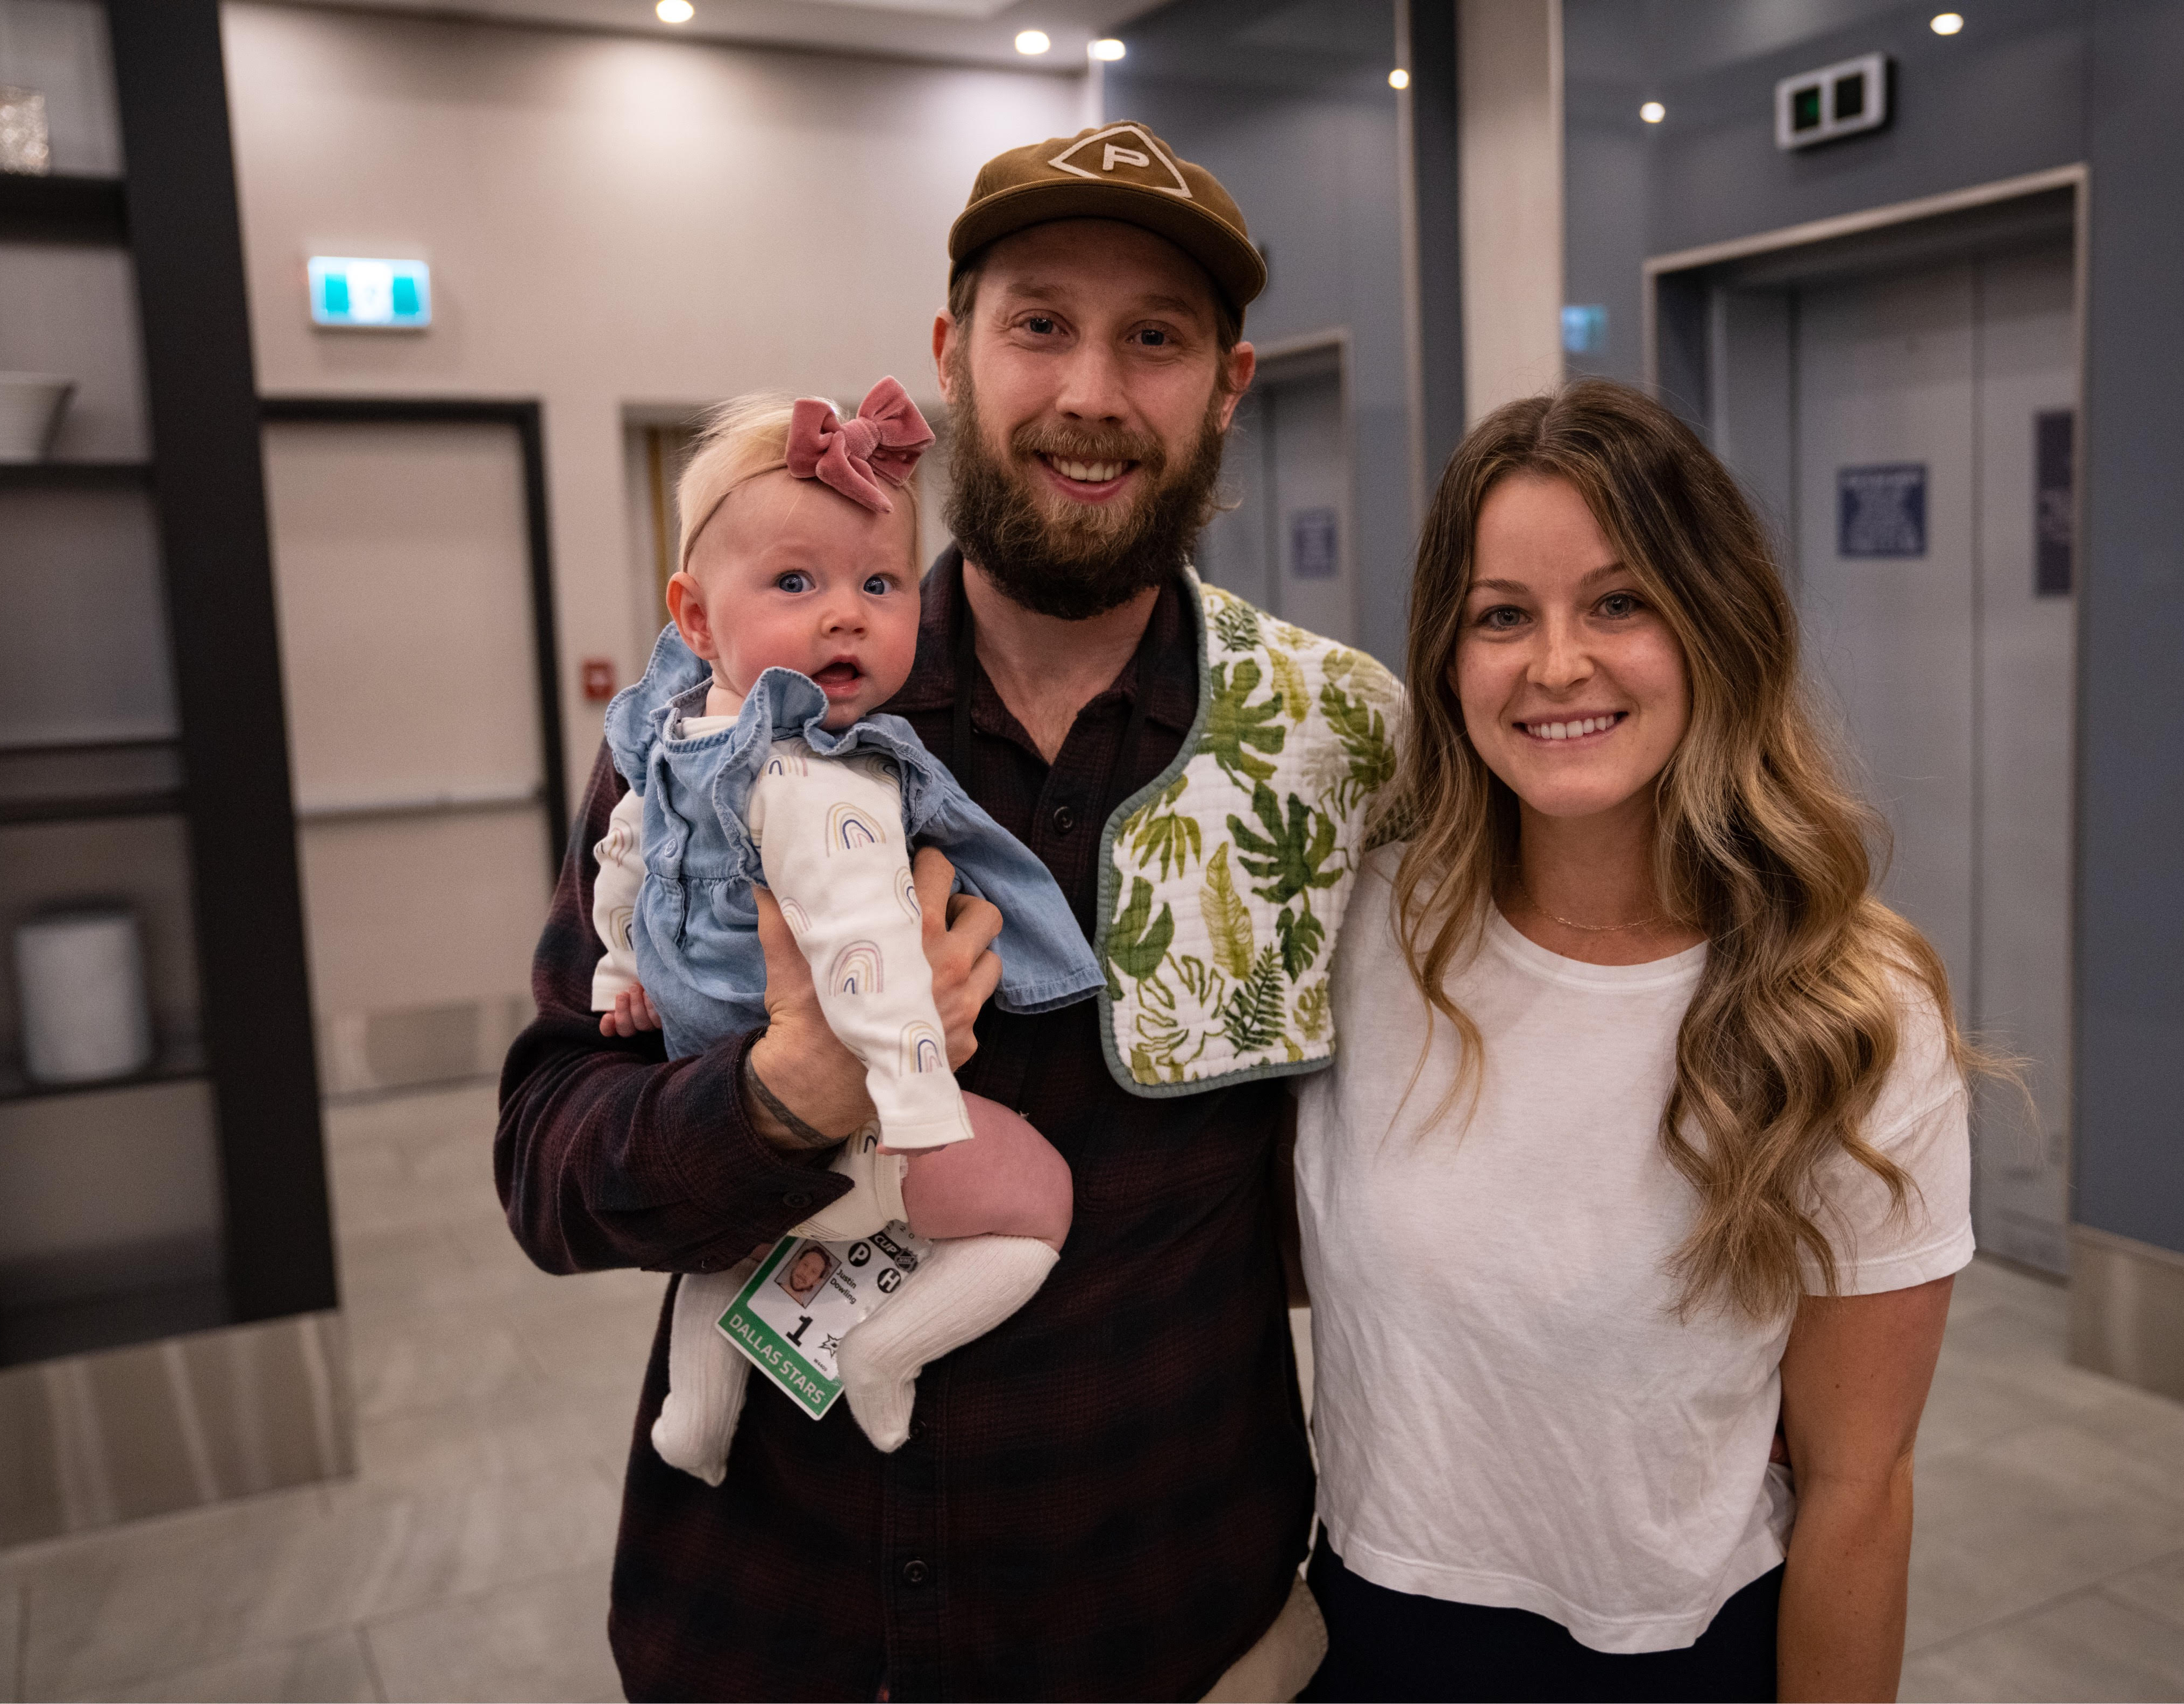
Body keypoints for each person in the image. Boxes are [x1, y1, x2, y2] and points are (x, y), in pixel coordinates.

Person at [494, 120, 1402, 1701]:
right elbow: (550, 1163)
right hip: (773, 1637)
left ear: (1231, 385)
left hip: (1181, 1633)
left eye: (1158, 339)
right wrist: (777, 1100)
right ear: (954, 354)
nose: (1093, 393)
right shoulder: (737, 725)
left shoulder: (1335, 739)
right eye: (1039, 322)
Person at [1293, 379, 1981, 1703]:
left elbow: (1857, 1487)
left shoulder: (1850, 1007)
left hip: (1673, 1662)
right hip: (1369, 1636)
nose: (1558, 665)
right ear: (1450, 657)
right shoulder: (1369, 929)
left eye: (1621, 602)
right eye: (1505, 616)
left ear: (1715, 625)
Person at [587, 380, 1104, 1480]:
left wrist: (620, 971)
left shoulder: (670, 740)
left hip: (705, 1081)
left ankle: (697, 1413)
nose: (846, 614)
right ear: (691, 615)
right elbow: (869, 946)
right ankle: (883, 1352)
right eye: (794, 582)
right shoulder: (827, 774)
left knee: (731, 1247)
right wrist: (908, 1095)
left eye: (879, 583)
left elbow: (627, 860)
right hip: (868, 1131)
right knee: (1038, 1205)